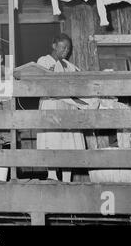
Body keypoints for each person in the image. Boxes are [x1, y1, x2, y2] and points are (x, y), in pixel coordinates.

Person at [36, 33, 86, 182]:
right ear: (54, 45)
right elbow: (41, 81)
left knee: (67, 141)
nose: (66, 51)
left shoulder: (69, 65)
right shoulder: (44, 61)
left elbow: (79, 79)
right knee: (52, 139)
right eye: (63, 47)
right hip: (51, 105)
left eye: (68, 49)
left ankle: (66, 178)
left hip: (68, 106)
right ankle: (51, 176)